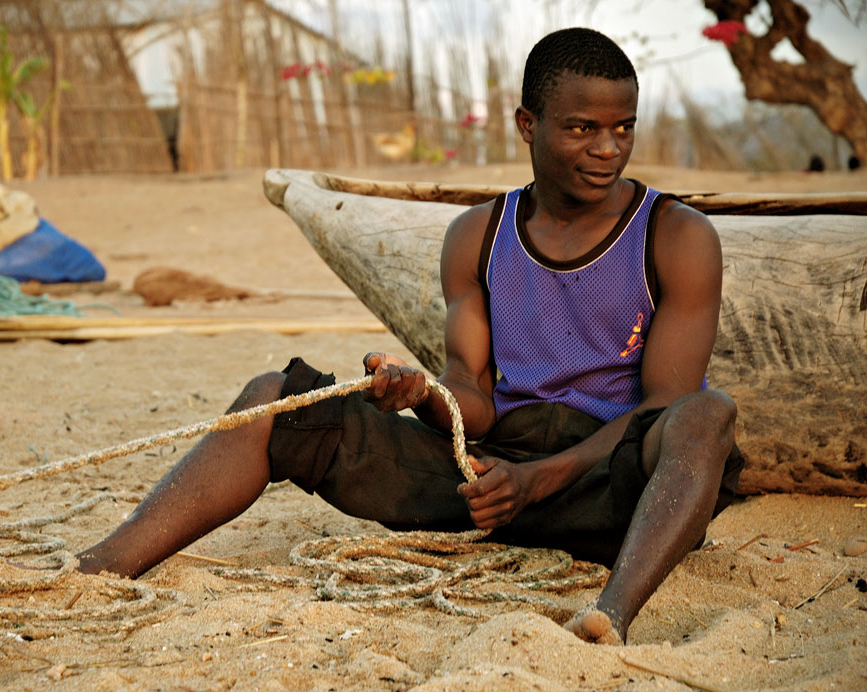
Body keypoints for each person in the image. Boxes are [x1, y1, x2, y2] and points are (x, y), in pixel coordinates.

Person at [76, 27, 744, 645]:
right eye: (582, 128)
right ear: (527, 124)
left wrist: (541, 479)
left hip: (613, 484)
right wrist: (423, 395)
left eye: (622, 127)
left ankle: (608, 615)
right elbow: (471, 396)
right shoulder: (479, 236)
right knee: (275, 398)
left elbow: (661, 406)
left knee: (707, 415)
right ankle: (97, 567)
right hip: (490, 478)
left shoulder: (676, 235)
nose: (608, 148)